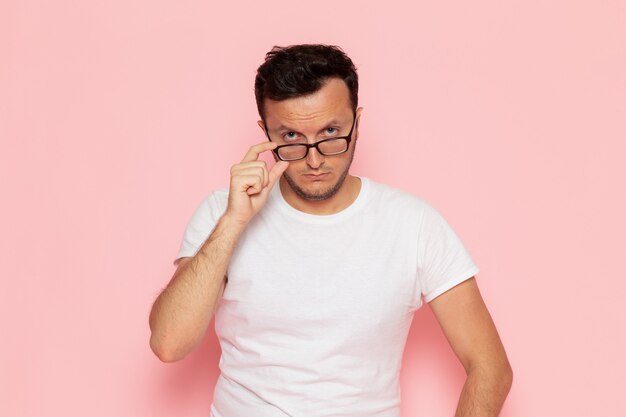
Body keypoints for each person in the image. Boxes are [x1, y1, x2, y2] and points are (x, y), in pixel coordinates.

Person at [148, 44, 513, 417]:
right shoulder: (222, 212)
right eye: (290, 137)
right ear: (265, 132)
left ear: (357, 123)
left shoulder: (413, 224)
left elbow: (490, 366)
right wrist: (233, 221)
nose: (315, 159)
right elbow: (168, 343)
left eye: (331, 131)